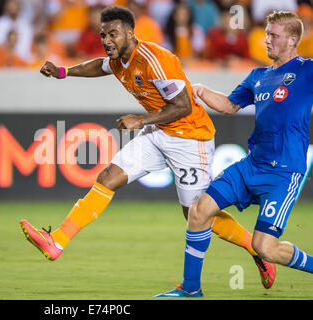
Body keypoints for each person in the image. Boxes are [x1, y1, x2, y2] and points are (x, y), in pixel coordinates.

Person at [20, 5, 276, 291]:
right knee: (107, 177)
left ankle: (256, 248)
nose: (106, 40)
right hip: (158, 132)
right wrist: (64, 71)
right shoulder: (117, 59)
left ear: (130, 33)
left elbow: (183, 106)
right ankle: (57, 242)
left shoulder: (155, 60)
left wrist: (140, 119)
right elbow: (98, 66)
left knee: (197, 214)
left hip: (191, 139)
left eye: (113, 34)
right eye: (103, 34)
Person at [157, 10, 313, 298]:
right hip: (251, 166)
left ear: (293, 40)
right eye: (266, 34)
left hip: (284, 173)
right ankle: (191, 290)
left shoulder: (308, 69)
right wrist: (200, 90)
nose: (266, 41)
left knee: (265, 247)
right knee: (199, 211)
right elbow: (229, 106)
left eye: (273, 36)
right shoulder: (258, 75)